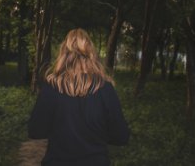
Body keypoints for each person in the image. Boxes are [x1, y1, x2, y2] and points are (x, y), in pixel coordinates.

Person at [28, 28, 130, 166]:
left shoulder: (51, 86)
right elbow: (121, 137)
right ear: (91, 53)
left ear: (63, 53)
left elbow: (35, 131)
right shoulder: (105, 88)